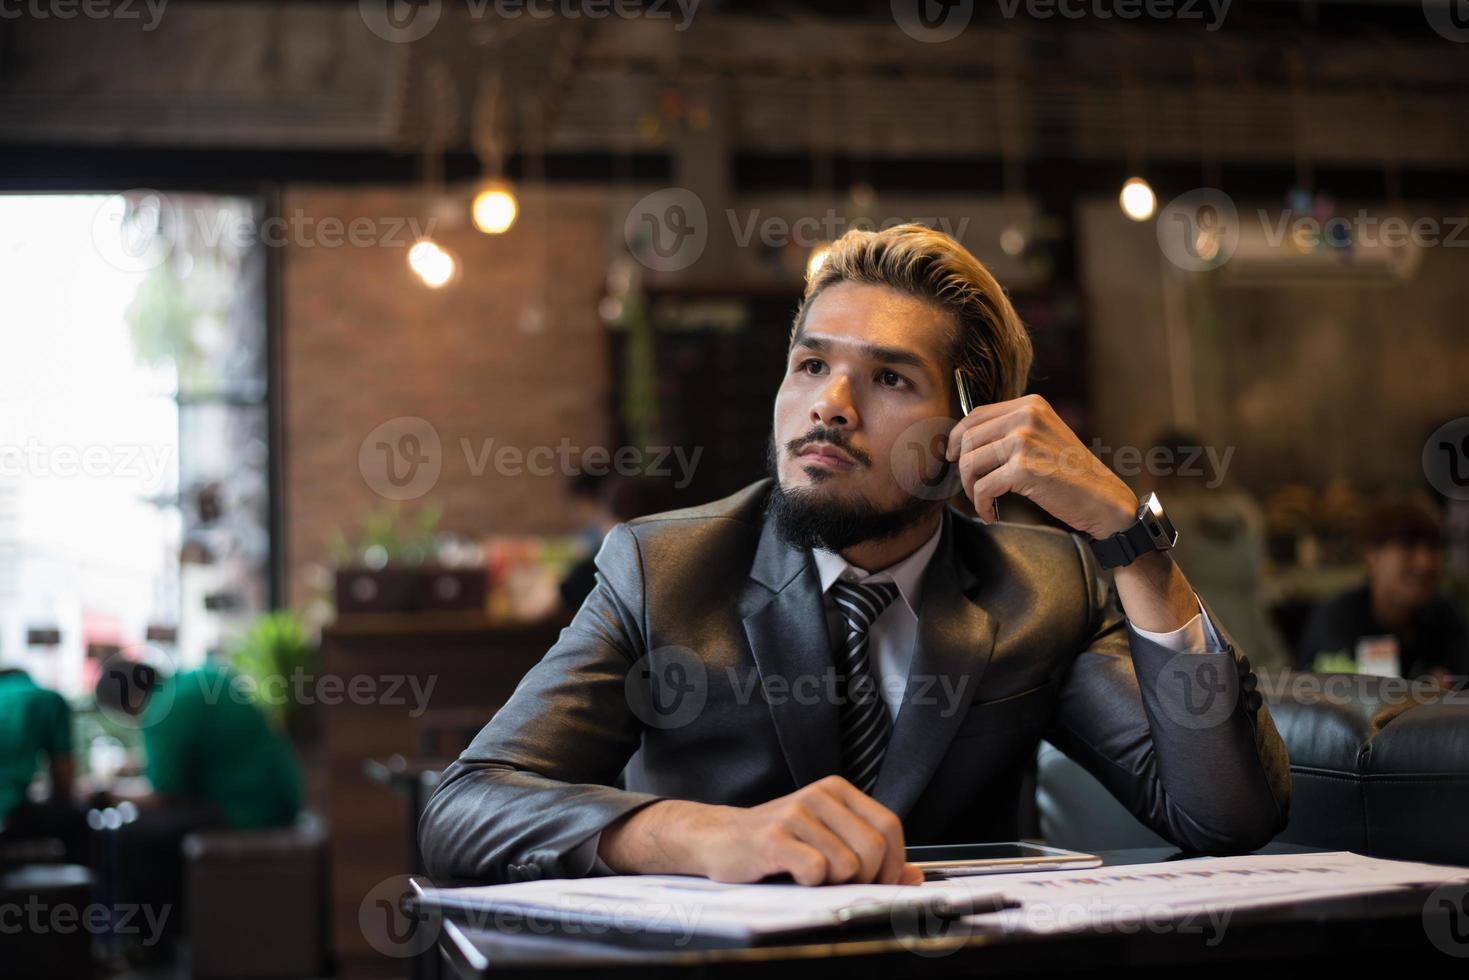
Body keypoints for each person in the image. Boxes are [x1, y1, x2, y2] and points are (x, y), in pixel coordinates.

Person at [420, 224, 1290, 887]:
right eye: (808, 366)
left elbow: (1224, 814)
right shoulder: (663, 569)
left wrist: (1127, 539)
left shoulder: (1045, 586)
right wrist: (699, 834)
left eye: (888, 379)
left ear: (970, 433)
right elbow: (464, 807)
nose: (828, 406)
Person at [93, 658, 302, 953]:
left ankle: (150, 946)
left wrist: (105, 795)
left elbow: (165, 794)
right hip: (277, 797)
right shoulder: (194, 681)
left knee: (134, 832)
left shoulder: (163, 709)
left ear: (132, 701)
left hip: (249, 808)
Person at [1144, 429, 1291, 670]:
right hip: (1263, 646)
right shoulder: (1242, 508)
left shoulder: (1160, 516)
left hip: (1204, 655)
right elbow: (1262, 573)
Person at [1297, 497, 1469, 689]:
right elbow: (1339, 702)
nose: (1425, 562)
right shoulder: (1337, 621)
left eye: (1434, 547)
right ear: (1372, 555)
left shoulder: (1444, 614)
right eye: (1408, 546)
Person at [0, 666, 84, 862]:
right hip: (7, 815)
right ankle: (77, 889)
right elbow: (64, 782)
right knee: (77, 818)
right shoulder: (46, 699)